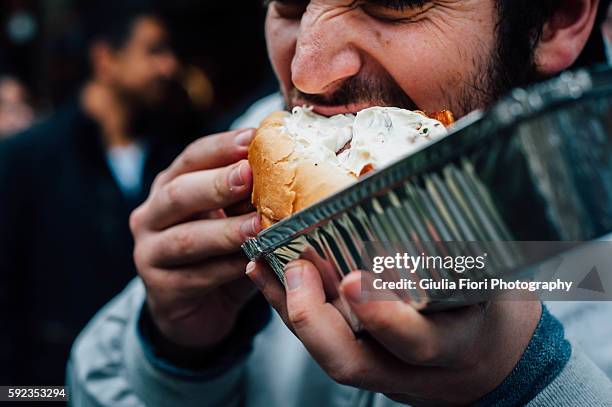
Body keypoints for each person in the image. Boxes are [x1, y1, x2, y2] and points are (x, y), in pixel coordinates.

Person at [69, 1, 612, 406]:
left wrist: (524, 380)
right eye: (287, 3)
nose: (305, 72)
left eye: (395, 5)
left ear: (556, 19)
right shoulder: (268, 148)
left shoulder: (592, 263)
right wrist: (178, 351)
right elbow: (79, 386)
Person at [0, 1, 200, 385]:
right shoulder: (27, 157)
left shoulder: (173, 155)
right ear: (106, 59)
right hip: (51, 384)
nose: (169, 66)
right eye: (154, 50)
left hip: (146, 382)